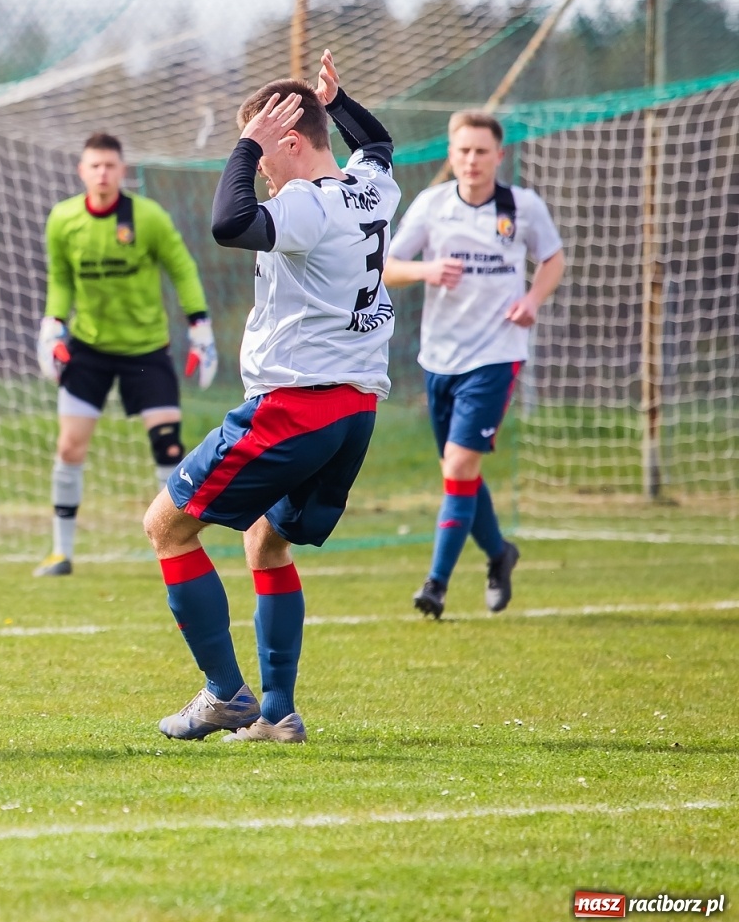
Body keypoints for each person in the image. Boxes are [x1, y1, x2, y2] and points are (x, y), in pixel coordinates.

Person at [142, 50, 398, 744]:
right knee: (266, 542)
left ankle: (226, 694)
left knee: (166, 525)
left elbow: (229, 223)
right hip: (355, 411)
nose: (258, 168)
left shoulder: (309, 204)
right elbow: (377, 143)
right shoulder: (371, 187)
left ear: (288, 139)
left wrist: (247, 140)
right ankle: (280, 714)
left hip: (296, 406)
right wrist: (337, 102)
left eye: (263, 153)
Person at [384, 111, 565, 619]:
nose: (471, 160)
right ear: (451, 152)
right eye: (463, 150)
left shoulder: (522, 207)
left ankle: (436, 584)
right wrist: (427, 270)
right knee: (459, 471)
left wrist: (532, 300)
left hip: (497, 354)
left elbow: (553, 259)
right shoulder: (432, 205)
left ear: (498, 156)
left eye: (481, 151)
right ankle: (499, 553)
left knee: (460, 466)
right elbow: (387, 267)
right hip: (440, 357)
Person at [33, 132, 218, 578]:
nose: (103, 173)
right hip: (89, 349)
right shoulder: (63, 219)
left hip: (146, 350)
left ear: (122, 170)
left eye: (110, 166)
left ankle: (174, 548)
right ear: (82, 171)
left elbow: (182, 267)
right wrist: (52, 323)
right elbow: (60, 278)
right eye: (94, 165)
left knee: (168, 447)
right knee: (69, 446)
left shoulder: (147, 217)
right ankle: (61, 553)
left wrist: (201, 327)